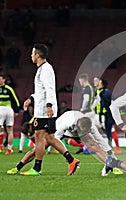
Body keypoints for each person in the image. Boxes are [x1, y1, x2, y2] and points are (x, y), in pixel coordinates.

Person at [21, 43, 79, 176]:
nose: (31, 55)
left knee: (39, 138)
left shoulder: (46, 69)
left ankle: (36, 168)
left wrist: (49, 106)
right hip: (43, 107)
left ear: (37, 55)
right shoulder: (42, 69)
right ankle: (71, 160)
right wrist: (31, 98)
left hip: (44, 110)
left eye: (32, 53)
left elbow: (50, 89)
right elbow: (41, 91)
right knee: (50, 138)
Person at [7, 110, 122, 176]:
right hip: (59, 130)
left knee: (95, 146)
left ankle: (113, 166)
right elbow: (55, 140)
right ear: (78, 125)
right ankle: (17, 168)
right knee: (37, 149)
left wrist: (113, 156)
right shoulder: (66, 123)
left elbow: (102, 142)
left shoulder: (90, 127)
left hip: (73, 130)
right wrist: (65, 155)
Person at [93, 76, 121, 154]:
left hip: (105, 115)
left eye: (97, 80)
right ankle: (96, 148)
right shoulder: (96, 91)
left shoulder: (107, 92)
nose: (95, 82)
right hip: (97, 115)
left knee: (111, 130)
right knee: (93, 130)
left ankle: (116, 148)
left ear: (101, 83)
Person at [0, 73, 20, 154]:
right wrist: (17, 110)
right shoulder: (9, 89)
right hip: (9, 110)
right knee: (10, 131)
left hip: (2, 109)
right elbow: (15, 99)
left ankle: (1, 146)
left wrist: (16, 110)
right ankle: (9, 149)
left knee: (3, 130)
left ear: (4, 80)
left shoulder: (8, 88)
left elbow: (15, 99)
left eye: (0, 79)